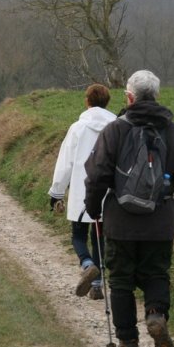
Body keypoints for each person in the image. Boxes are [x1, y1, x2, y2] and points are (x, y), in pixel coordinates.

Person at [84, 70, 174, 347]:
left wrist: (94, 209)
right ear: (156, 96)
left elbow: (97, 175)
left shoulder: (115, 130)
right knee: (156, 273)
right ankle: (156, 314)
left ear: (130, 97)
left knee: (120, 281)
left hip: (119, 221)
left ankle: (127, 346)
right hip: (159, 220)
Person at [48, 84, 116, 299]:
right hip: (107, 192)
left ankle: (86, 264)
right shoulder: (116, 127)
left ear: (87, 101)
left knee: (78, 236)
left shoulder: (77, 128)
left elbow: (65, 163)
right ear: (107, 102)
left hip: (81, 192)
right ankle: (96, 286)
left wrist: (57, 192)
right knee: (99, 238)